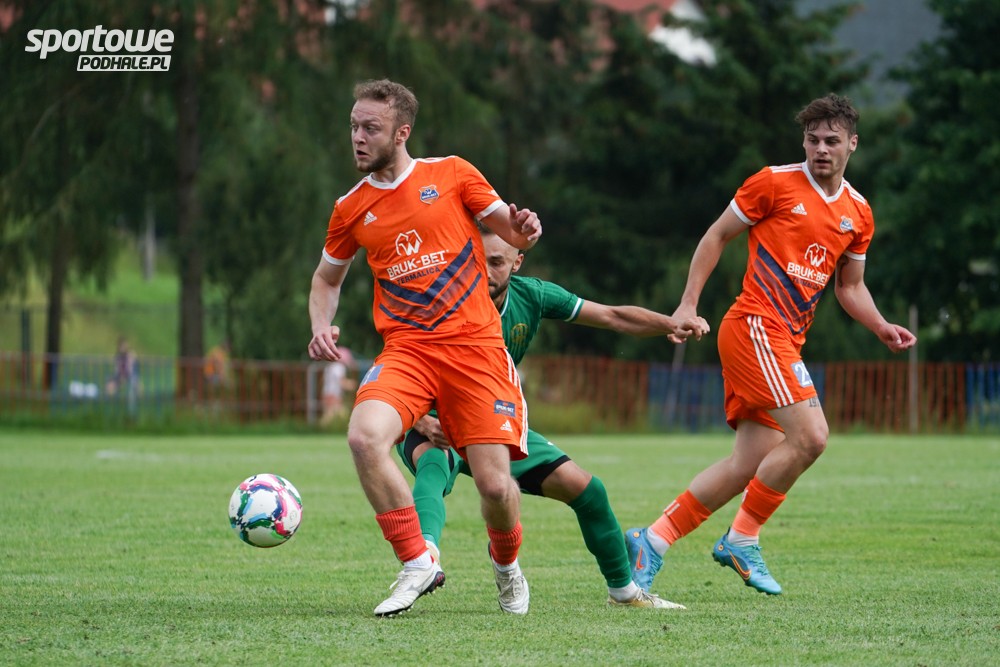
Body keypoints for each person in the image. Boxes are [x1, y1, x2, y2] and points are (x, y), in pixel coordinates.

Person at [626, 94, 917, 596]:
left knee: (748, 464)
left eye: (831, 140)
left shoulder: (859, 212)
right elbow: (716, 236)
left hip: (784, 340)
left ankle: (651, 540)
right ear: (803, 141)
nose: (820, 149)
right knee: (813, 436)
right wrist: (687, 305)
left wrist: (880, 325)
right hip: (755, 326)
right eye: (812, 139)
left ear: (852, 144)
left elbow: (849, 287)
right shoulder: (774, 182)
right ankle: (742, 538)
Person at [307, 79, 542, 617]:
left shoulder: (452, 174)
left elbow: (511, 230)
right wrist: (321, 324)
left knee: (495, 487)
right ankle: (417, 561)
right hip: (408, 351)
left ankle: (506, 565)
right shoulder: (350, 208)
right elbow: (325, 279)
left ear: (402, 133)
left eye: (370, 128)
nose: (357, 137)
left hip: (475, 348)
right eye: (353, 126)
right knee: (364, 438)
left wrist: (525, 229)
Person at [396, 224, 708, 610]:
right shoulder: (439, 297)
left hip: (492, 420)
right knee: (433, 466)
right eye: (477, 260)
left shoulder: (533, 296)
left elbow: (611, 316)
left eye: (496, 262)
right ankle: (423, 561)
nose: (485, 271)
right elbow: (394, 363)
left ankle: (624, 593)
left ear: (517, 263)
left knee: (588, 490)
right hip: (430, 417)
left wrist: (669, 323)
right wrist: (418, 420)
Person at [320, 347, 358, 426]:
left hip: (327, 393)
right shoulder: (339, 367)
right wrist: (351, 385)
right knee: (333, 414)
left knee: (330, 414)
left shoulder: (330, 367)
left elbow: (323, 380)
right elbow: (342, 382)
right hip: (334, 394)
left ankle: (324, 427)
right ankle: (324, 427)